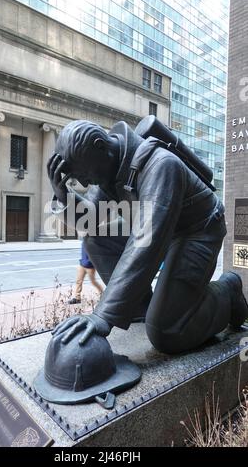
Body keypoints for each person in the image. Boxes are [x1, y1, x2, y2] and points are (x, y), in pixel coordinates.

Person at [47, 118, 248, 355]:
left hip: (196, 231)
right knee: (96, 238)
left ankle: (228, 290)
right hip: (162, 229)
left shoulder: (161, 165)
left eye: (85, 175)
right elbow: (89, 220)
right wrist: (63, 195)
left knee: (167, 332)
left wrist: (103, 315)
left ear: (101, 147)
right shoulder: (110, 166)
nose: (82, 182)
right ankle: (139, 308)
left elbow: (145, 243)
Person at [68, 240, 104, 305]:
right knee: (78, 281)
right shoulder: (84, 241)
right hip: (82, 265)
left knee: (93, 282)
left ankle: (103, 295)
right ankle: (77, 298)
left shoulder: (92, 242)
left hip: (90, 267)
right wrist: (82, 261)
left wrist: (90, 262)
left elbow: (95, 254)